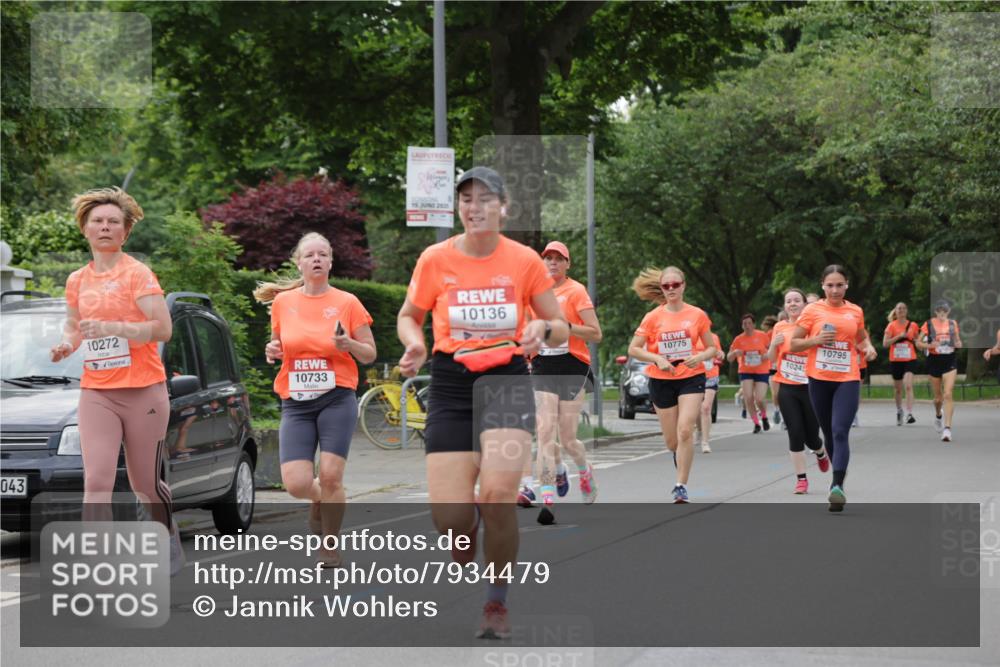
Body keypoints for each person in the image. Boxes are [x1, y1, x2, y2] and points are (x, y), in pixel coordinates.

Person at [396, 166, 568, 639]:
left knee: (497, 496)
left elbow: (559, 325)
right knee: (449, 518)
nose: (475, 207)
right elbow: (410, 315)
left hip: (507, 382)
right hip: (451, 384)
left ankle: (496, 601)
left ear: (504, 207)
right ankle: (464, 526)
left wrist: (540, 329)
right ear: (459, 208)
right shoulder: (435, 258)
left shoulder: (524, 260)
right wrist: (414, 343)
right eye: (467, 199)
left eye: (486, 199)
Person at [49, 187, 182, 574]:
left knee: (145, 484)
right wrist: (65, 345)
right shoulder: (77, 280)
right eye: (97, 221)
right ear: (85, 229)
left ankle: (165, 535)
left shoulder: (136, 274)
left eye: (113, 222)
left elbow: (163, 328)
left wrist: (112, 326)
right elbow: (75, 327)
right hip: (97, 392)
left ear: (125, 233)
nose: (105, 227)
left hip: (144, 393)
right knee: (97, 480)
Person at [254, 233, 376, 567]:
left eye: (323, 254)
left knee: (332, 475)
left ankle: (330, 545)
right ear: (299, 261)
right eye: (310, 255)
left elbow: (370, 353)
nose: (317, 259)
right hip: (296, 400)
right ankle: (319, 499)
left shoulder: (348, 303)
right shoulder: (283, 303)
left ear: (331, 261)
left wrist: (348, 345)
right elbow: (277, 346)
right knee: (296, 484)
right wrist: (271, 350)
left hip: (337, 397)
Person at [523, 241, 601, 519]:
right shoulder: (534, 293)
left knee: (567, 439)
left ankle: (583, 469)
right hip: (543, 365)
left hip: (572, 366)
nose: (553, 263)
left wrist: (568, 328)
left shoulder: (576, 291)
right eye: (548, 258)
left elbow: (595, 333)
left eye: (559, 259)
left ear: (567, 264)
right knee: (544, 433)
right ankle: (547, 499)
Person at [790, 265, 876, 512]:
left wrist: (868, 348)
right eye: (830, 285)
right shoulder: (812, 310)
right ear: (822, 286)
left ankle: (837, 486)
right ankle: (835, 481)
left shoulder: (855, 311)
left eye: (840, 285)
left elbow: (861, 337)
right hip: (818, 378)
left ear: (847, 284)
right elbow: (794, 344)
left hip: (847, 377)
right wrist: (815, 340)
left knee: (840, 431)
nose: (835, 290)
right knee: (828, 432)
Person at [628, 266, 716, 503]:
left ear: (683, 285)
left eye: (675, 285)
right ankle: (680, 461)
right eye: (666, 286)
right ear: (662, 288)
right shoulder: (653, 317)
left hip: (691, 377)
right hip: (661, 380)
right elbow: (633, 348)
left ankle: (680, 486)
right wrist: (656, 358)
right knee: (672, 441)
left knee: (686, 429)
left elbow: (712, 348)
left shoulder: (697, 314)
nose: (671, 289)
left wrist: (700, 357)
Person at [768, 288, 829, 493]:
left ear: (804, 304)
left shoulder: (812, 327)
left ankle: (820, 451)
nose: (792, 304)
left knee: (811, 437)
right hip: (787, 387)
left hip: (810, 386)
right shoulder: (779, 327)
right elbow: (771, 359)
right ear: (785, 306)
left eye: (796, 300)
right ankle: (801, 479)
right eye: (788, 301)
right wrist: (773, 345)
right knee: (795, 433)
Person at [917, 300, 963, 442]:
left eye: (945, 310)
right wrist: (930, 344)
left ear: (948, 312)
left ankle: (947, 429)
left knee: (948, 394)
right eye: (939, 311)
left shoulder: (953, 324)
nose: (942, 313)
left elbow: (958, 342)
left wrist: (958, 344)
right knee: (938, 398)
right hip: (934, 361)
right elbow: (918, 343)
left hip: (949, 360)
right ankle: (938, 415)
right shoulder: (928, 324)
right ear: (936, 312)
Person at [728, 314, 772, 433]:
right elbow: (729, 358)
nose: (747, 326)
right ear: (742, 326)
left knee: (759, 398)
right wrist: (734, 353)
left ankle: (764, 416)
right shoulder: (738, 339)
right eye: (744, 324)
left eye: (749, 323)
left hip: (761, 370)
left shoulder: (762, 336)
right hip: (745, 371)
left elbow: (772, 351)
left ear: (754, 324)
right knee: (748, 397)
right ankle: (756, 423)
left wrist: (766, 356)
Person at [883, 302, 919, 426]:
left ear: (906, 311)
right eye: (899, 308)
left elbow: (918, 341)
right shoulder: (891, 326)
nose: (901, 310)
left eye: (904, 308)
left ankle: (909, 413)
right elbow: (885, 344)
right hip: (896, 360)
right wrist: (898, 336)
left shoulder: (913, 325)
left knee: (908, 385)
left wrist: (921, 342)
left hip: (910, 358)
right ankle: (899, 410)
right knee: (898, 389)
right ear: (895, 311)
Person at [694, 332, 725, 453]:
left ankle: (705, 442)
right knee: (696, 409)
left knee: (706, 408)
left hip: (711, 375)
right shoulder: (692, 336)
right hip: (695, 375)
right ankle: (699, 430)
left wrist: (721, 354)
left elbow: (719, 353)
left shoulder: (714, 337)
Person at [762, 314, 782, 427]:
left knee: (777, 393)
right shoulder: (770, 333)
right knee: (777, 393)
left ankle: (778, 411)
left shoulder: (773, 333)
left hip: (778, 365)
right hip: (773, 366)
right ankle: (777, 411)